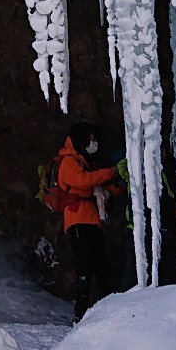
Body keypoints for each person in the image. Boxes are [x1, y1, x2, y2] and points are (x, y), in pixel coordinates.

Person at [54, 121, 121, 317]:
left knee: (103, 266)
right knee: (85, 266)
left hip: (91, 220)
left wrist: (117, 185)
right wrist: (111, 171)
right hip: (77, 220)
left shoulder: (84, 162)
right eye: (91, 139)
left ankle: (106, 309)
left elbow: (98, 185)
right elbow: (84, 180)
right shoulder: (69, 162)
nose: (94, 142)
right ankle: (80, 313)